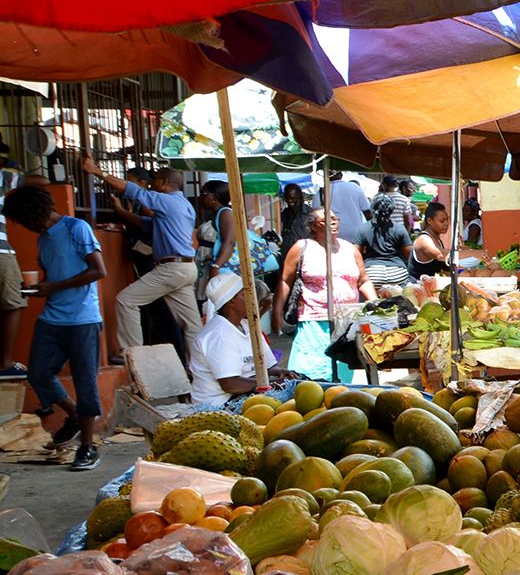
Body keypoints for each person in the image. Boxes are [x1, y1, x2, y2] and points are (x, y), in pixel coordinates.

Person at [3, 184, 106, 470]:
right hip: (52, 318)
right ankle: (75, 416)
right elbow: (54, 276)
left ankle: (87, 447)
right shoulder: (43, 240)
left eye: (24, 221)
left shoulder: (76, 228)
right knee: (38, 374)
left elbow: (99, 270)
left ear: (33, 213)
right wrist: (40, 289)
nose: (26, 227)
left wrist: (54, 286)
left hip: (82, 319)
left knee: (86, 383)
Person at [81, 156, 201, 364]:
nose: (150, 184)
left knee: (126, 300)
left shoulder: (165, 200)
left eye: (154, 180)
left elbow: (136, 192)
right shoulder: (183, 204)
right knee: (192, 326)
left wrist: (98, 172)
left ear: (164, 184)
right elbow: (148, 224)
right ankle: (201, 369)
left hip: (172, 268)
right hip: (186, 267)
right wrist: (122, 212)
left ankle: (134, 357)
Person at [277, 204, 366, 382]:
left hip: (346, 320)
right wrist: (276, 313)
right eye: (327, 220)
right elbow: (285, 281)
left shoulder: (350, 249)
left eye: (335, 219)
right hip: (314, 321)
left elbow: (363, 280)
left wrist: (376, 304)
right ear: (314, 225)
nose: (333, 223)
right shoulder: (302, 247)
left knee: (343, 373)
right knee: (313, 373)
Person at [190, 272, 273, 406]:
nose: (252, 298)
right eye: (244, 294)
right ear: (231, 301)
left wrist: (284, 374)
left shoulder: (247, 325)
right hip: (219, 404)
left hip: (243, 394)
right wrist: (271, 384)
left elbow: (269, 366)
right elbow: (230, 385)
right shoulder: (219, 334)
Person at [359, 179, 414, 297]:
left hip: (373, 274)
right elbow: (409, 254)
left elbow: (356, 253)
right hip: (397, 274)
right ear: (391, 209)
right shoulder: (399, 229)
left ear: (373, 208)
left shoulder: (363, 228)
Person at [0, 148, 28, 379]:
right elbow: (25, 177)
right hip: (1, 252)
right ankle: (5, 364)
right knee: (13, 303)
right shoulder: (3, 176)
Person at [410, 202, 452, 285]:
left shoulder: (436, 239)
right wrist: (472, 254)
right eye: (442, 221)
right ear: (429, 220)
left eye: (447, 220)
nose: (446, 224)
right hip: (418, 289)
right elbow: (440, 255)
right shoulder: (424, 239)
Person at [327, 174, 370, 245]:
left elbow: (316, 214)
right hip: (356, 234)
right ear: (341, 175)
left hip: (332, 234)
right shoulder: (355, 187)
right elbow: (367, 212)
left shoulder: (321, 192)